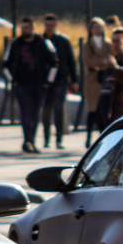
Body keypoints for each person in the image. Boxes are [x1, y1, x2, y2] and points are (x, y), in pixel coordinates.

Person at [3, 16, 59, 153]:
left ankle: (30, 141)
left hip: (39, 85)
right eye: (22, 28)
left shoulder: (43, 42)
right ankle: (28, 141)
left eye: (27, 28)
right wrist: (12, 80)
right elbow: (5, 64)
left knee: (35, 113)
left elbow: (54, 63)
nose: (24, 30)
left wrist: (48, 81)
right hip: (22, 84)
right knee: (26, 112)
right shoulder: (15, 44)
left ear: (33, 28)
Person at [39, 13, 77, 150]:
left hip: (60, 80)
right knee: (46, 110)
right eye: (47, 25)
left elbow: (71, 61)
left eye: (52, 25)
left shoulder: (63, 41)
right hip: (44, 82)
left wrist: (74, 80)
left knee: (58, 110)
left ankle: (59, 139)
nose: (49, 28)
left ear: (56, 25)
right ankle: (46, 138)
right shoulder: (40, 40)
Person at [81, 17, 116, 145]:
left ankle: (103, 137)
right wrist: (103, 61)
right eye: (94, 28)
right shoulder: (87, 45)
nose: (97, 30)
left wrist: (100, 62)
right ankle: (89, 137)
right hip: (92, 81)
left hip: (105, 80)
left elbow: (112, 60)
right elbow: (87, 61)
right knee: (92, 109)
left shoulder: (108, 43)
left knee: (104, 110)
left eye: (99, 27)